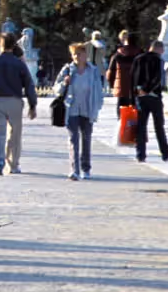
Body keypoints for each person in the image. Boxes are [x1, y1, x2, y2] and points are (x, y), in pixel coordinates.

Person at [0, 32, 37, 175]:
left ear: (1, 44)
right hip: (15, 101)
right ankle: (13, 164)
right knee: (14, 134)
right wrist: (32, 104)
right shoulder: (19, 64)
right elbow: (29, 84)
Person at [55, 42, 103, 181]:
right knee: (73, 140)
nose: (76, 56)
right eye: (74, 54)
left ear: (85, 55)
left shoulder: (92, 71)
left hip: (88, 110)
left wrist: (98, 106)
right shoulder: (67, 70)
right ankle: (74, 170)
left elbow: (99, 91)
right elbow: (56, 88)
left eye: (79, 54)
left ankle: (86, 169)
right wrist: (64, 83)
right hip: (72, 109)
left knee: (86, 139)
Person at [132, 40, 168, 163]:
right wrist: (148, 89)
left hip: (140, 96)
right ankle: (165, 152)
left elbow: (132, 77)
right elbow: (158, 78)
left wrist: (136, 93)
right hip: (154, 97)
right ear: (158, 49)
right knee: (158, 126)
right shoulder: (159, 60)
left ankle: (140, 154)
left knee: (141, 126)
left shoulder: (138, 59)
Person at [107, 30, 140, 110]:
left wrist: (112, 85)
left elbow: (111, 72)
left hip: (121, 87)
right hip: (136, 88)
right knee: (135, 112)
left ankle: (122, 121)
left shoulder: (117, 54)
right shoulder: (140, 54)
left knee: (122, 112)